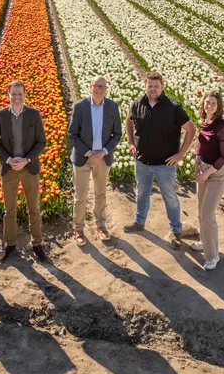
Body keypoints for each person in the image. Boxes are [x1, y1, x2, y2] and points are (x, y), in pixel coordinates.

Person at [124, 73, 196, 249]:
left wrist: (181, 154)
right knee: (142, 193)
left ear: (162, 87)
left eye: (156, 86)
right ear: (145, 86)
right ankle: (139, 222)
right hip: (142, 161)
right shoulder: (137, 104)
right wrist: (131, 142)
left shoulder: (173, 107)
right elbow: (128, 121)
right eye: (150, 86)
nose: (153, 89)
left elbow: (191, 129)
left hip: (165, 164)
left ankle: (176, 231)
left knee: (170, 198)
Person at [0, 80, 47, 262]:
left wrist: (26, 160)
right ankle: (10, 244)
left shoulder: (33, 114)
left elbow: (41, 142)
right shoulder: (0, 115)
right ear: (8, 95)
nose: (16, 97)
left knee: (34, 208)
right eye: (13, 94)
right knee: (9, 209)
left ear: (24, 95)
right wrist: (8, 159)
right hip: (9, 169)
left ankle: (37, 244)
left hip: (29, 168)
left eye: (19, 94)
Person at [68, 75, 122, 245]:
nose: (99, 89)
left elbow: (117, 134)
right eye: (96, 86)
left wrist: (103, 152)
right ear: (90, 87)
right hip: (83, 157)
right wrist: (89, 152)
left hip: (102, 158)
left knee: (100, 193)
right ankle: (78, 228)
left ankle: (100, 224)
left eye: (102, 87)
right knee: (80, 195)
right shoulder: (80, 107)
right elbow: (72, 135)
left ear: (106, 89)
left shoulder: (112, 107)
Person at [191, 91, 224, 270]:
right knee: (201, 211)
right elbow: (201, 145)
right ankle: (204, 241)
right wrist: (197, 165)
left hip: (217, 174)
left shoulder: (222, 127)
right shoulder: (204, 122)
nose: (210, 106)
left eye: (213, 103)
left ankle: (213, 256)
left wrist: (206, 173)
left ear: (218, 106)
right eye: (207, 102)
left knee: (207, 214)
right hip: (204, 170)